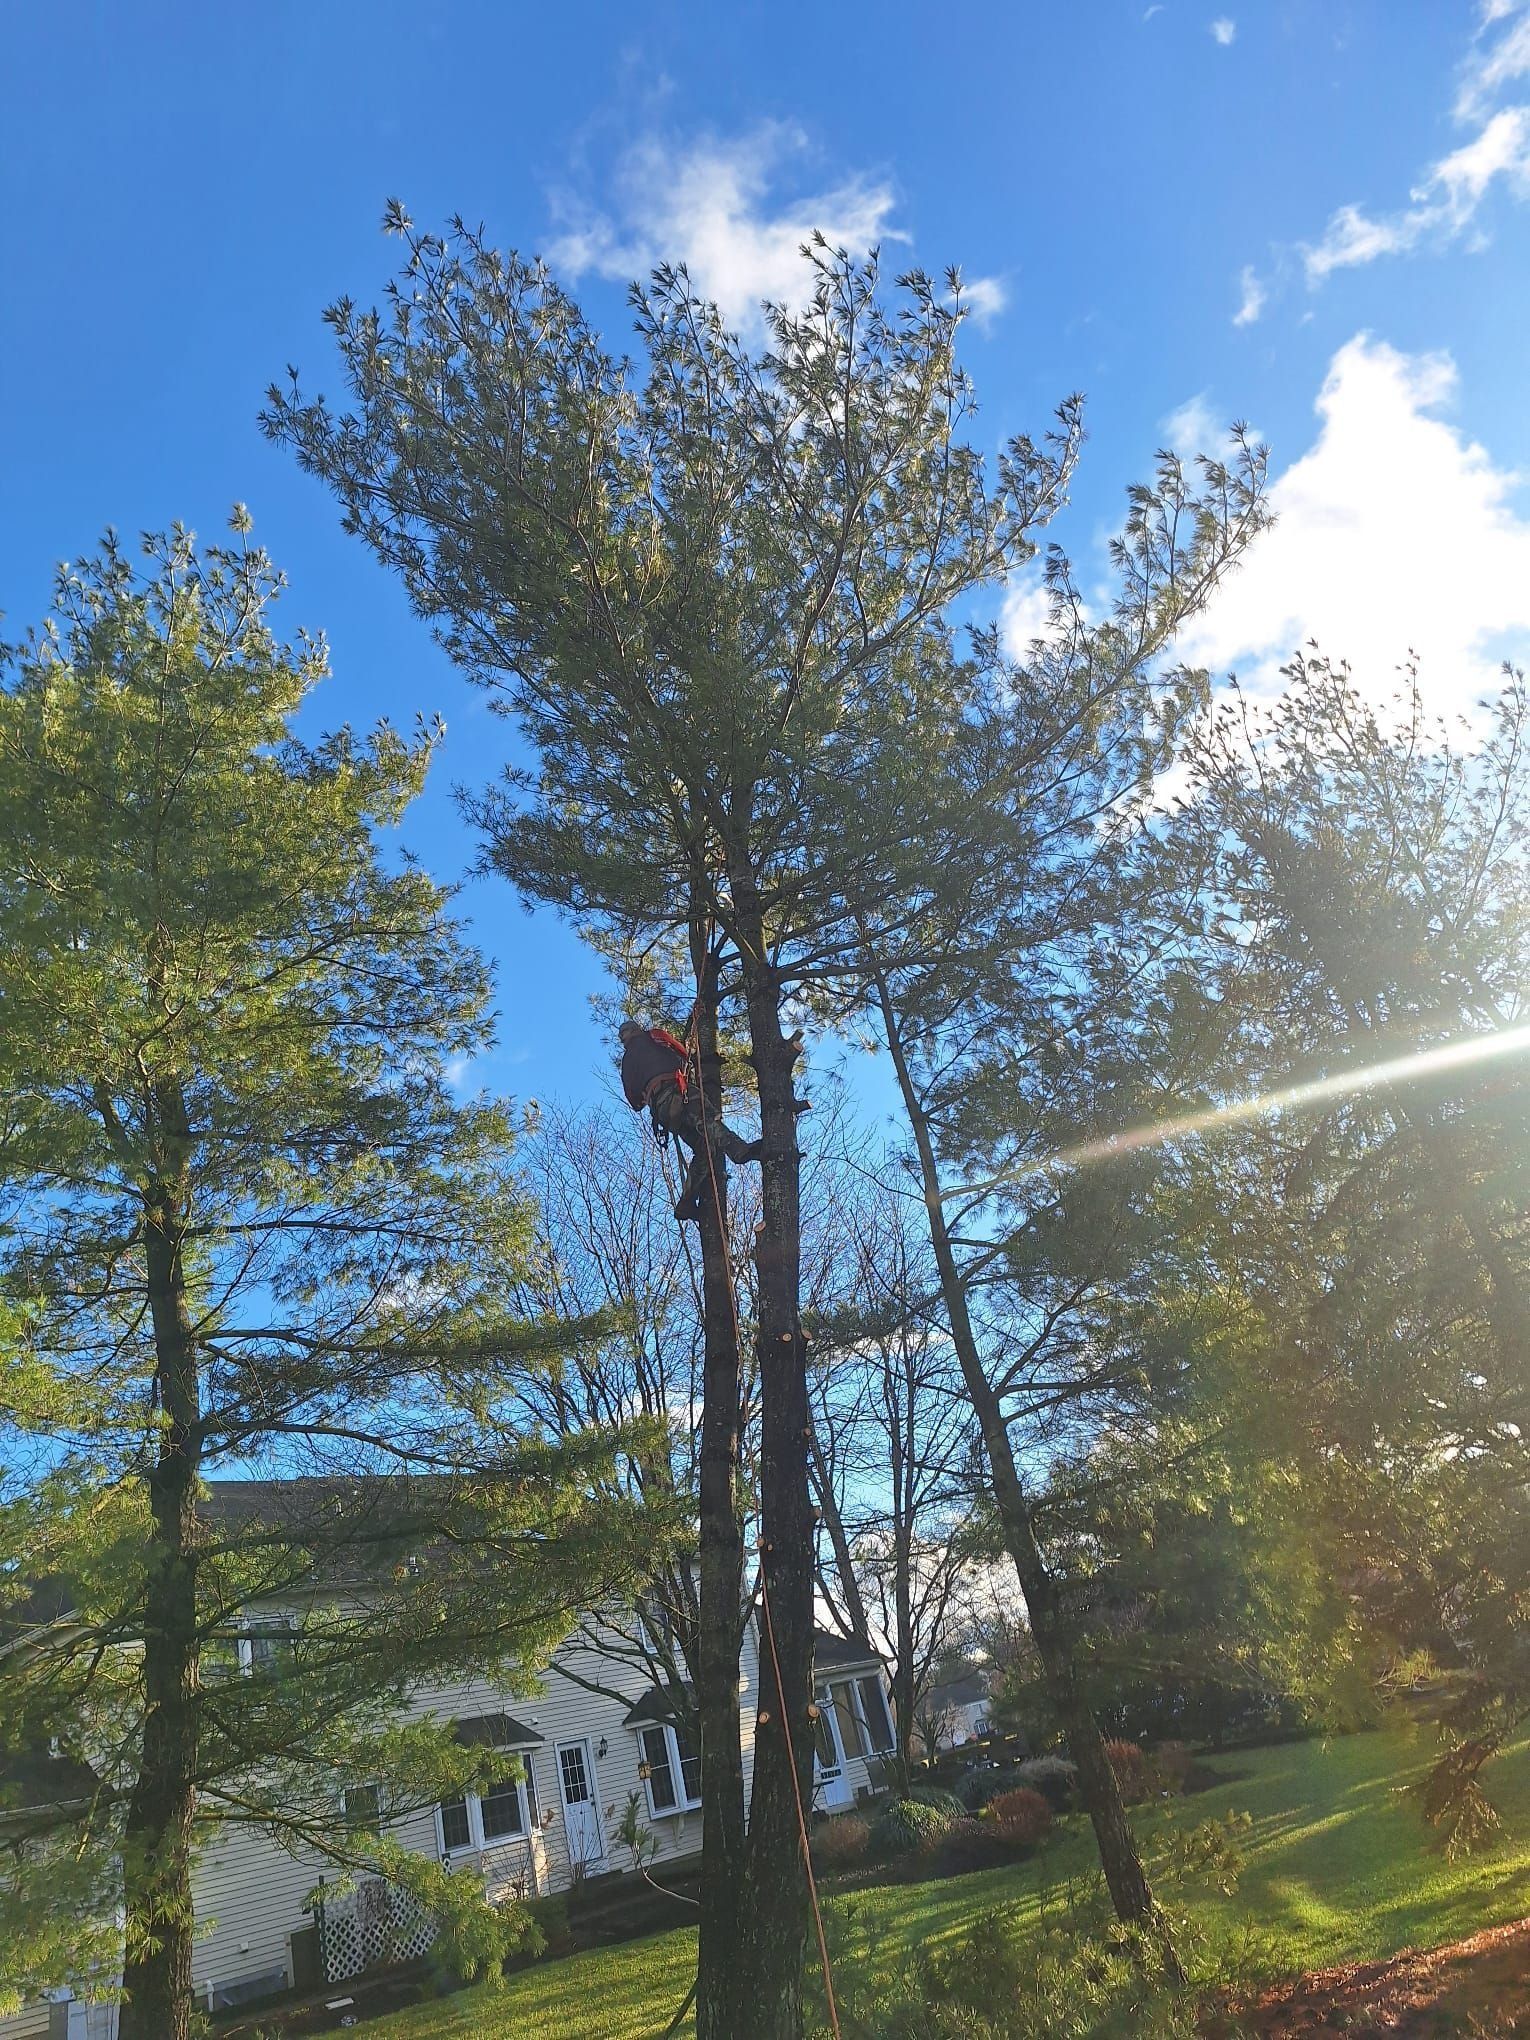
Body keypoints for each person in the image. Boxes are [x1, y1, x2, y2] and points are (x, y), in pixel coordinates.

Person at [618, 1019, 763, 1221]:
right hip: (678, 1091)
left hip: (663, 1112)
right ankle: (739, 1150)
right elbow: (681, 1052)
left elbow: (635, 1103)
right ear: (637, 1030)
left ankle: (686, 1203)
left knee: (705, 1148)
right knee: (708, 1120)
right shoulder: (653, 1036)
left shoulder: (626, 1063)